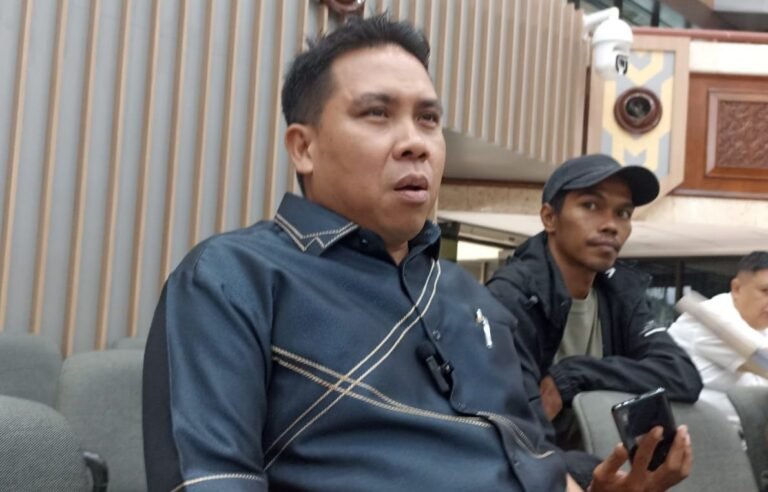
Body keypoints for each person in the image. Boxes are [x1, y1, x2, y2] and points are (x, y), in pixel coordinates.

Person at [142, 16, 691, 492]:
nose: (416, 142)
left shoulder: (474, 303)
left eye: (428, 119)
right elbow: (210, 479)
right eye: (376, 114)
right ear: (303, 147)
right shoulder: (232, 279)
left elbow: (535, 459)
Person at [486, 154, 702, 480]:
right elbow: (516, 436)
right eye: (590, 205)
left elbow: (682, 375)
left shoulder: (620, 294)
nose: (611, 224)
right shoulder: (510, 299)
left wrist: (572, 375)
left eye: (623, 213)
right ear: (549, 218)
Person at [669, 251, 768, 428]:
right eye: (765, 291)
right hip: (698, 436)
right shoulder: (712, 317)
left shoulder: (761, 325)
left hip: (746, 435)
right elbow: (763, 361)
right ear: (737, 288)